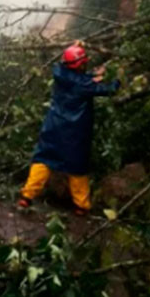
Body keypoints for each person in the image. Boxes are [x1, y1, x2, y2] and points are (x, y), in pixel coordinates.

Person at [18, 41, 120, 215]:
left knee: (43, 159)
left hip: (53, 126)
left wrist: (76, 53)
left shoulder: (59, 72)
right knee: (77, 166)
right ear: (80, 65)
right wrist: (117, 78)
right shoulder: (83, 85)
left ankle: (26, 197)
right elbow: (109, 89)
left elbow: (79, 77)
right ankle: (81, 206)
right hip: (75, 132)